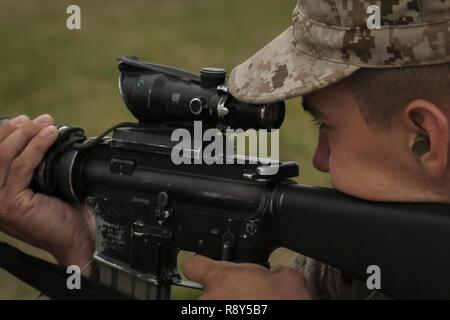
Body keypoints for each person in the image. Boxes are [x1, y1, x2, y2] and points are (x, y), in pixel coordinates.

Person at [0, 0, 449, 299]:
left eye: (327, 127)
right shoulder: (352, 270)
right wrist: (85, 251)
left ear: (424, 138)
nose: (318, 160)